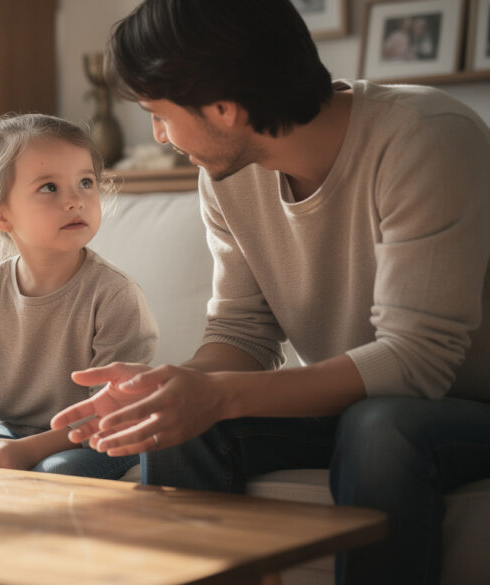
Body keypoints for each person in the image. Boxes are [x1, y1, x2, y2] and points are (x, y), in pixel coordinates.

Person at [50, 1, 490, 584]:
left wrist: (223, 395)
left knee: (380, 429)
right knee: (187, 422)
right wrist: (176, 388)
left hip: (461, 408)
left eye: (158, 114)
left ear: (224, 109)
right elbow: (241, 332)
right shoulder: (226, 175)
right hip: (354, 401)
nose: (159, 135)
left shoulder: (425, 138)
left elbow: (418, 361)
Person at [0, 113, 158, 479]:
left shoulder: (115, 295)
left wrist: (26, 451)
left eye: (86, 182)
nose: (75, 201)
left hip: (104, 437)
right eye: (49, 187)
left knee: (56, 470)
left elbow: (109, 408)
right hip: (15, 433)